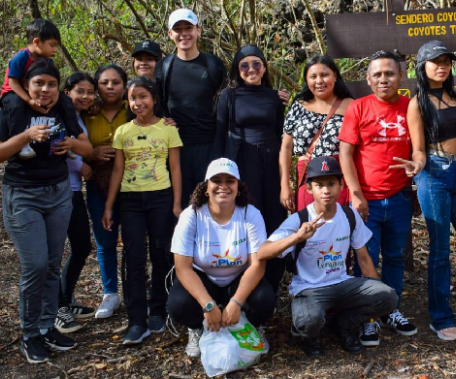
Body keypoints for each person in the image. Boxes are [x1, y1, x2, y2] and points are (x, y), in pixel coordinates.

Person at [0, 59, 93, 363]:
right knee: (35, 266)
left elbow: (87, 149)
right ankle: (29, 333)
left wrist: (70, 142)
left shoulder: (65, 108)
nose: (45, 90)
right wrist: (26, 137)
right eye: (39, 84)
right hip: (22, 196)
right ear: (28, 86)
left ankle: (46, 327)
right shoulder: (13, 109)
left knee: (51, 264)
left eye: (51, 84)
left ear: (59, 88)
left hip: (58, 193)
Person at [258, 156, 398, 356]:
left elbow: (364, 259)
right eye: (319, 185)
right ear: (309, 189)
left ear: (341, 185)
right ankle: (311, 335)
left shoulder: (350, 215)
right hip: (310, 288)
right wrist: (296, 237)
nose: (326, 191)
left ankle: (343, 325)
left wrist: (375, 294)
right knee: (308, 320)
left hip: (342, 284)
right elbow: (263, 252)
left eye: (331, 184)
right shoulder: (300, 219)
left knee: (388, 297)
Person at [406, 41, 456, 344]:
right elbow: (417, 149)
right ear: (422, 66)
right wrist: (416, 167)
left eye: (446, 61)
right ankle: (440, 318)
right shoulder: (417, 102)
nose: (442, 66)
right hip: (433, 176)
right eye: (435, 61)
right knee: (440, 250)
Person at [339, 50, 421, 344]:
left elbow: (419, 148)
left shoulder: (409, 107)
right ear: (368, 79)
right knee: (366, 258)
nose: (384, 79)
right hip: (366, 201)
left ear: (400, 76)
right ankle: (368, 317)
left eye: (390, 73)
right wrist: (356, 194)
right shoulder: (358, 108)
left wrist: (417, 162)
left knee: (396, 256)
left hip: (399, 197)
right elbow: (345, 154)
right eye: (378, 74)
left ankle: (392, 308)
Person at [167, 158, 276, 358]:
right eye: (217, 181)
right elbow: (182, 268)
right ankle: (197, 328)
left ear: (239, 187)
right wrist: (207, 304)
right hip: (204, 278)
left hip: (238, 278)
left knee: (264, 298)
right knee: (178, 304)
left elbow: (257, 265)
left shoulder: (250, 214)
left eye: (230, 181)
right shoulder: (191, 215)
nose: (223, 186)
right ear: (206, 187)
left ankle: (251, 325)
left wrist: (236, 302)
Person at [102, 76, 183, 345]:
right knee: (133, 258)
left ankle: (158, 310)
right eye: (133, 98)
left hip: (161, 198)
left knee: (160, 254)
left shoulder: (168, 130)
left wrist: (176, 203)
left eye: (143, 97)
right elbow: (117, 170)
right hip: (130, 202)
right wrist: (110, 206)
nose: (138, 102)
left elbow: (175, 168)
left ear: (154, 99)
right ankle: (136, 321)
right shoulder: (123, 132)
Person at [214, 45, 288, 290]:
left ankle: (273, 277)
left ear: (264, 67)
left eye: (256, 64)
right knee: (248, 214)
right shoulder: (229, 96)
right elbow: (219, 134)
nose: (251, 70)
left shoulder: (275, 96)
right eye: (244, 65)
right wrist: (218, 174)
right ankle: (246, 274)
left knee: (274, 215)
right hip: (242, 159)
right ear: (237, 69)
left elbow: (281, 132)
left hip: (271, 158)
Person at [155, 9, 227, 210]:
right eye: (177, 29)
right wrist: (163, 121)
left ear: (199, 31)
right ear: (170, 34)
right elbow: (157, 104)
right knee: (182, 206)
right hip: (177, 148)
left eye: (189, 28)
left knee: (211, 202)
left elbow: (230, 99)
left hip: (209, 144)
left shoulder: (213, 64)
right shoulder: (164, 67)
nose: (184, 34)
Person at [279, 55, 353, 212]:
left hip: (340, 179)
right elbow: (286, 147)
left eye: (324, 75)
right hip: (307, 178)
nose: (319, 81)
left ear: (335, 76)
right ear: (306, 80)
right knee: (309, 229)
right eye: (313, 76)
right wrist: (285, 185)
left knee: (340, 230)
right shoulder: (299, 106)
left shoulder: (350, 106)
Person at [84, 64, 129, 319]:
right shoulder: (86, 113)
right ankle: (110, 293)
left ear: (124, 86)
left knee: (134, 239)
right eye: (104, 82)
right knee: (105, 237)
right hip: (99, 182)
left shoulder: (133, 109)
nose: (110, 87)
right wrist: (91, 154)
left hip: (133, 182)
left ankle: (136, 288)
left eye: (115, 82)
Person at [55, 73, 97, 333]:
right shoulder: (59, 114)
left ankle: (65, 298)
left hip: (73, 191)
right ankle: (58, 307)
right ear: (67, 90)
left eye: (90, 92)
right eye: (80, 91)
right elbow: (60, 147)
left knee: (81, 245)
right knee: (55, 252)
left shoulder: (79, 116)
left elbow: (81, 146)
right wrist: (82, 165)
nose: (85, 96)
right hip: (58, 190)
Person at [0, 19, 61, 160]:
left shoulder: (48, 61)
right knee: (16, 106)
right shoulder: (21, 58)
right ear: (37, 42)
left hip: (35, 92)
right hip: (14, 92)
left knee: (64, 101)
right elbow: (12, 82)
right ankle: (19, 142)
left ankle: (64, 137)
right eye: (52, 45)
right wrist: (28, 101)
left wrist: (55, 97)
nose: (54, 50)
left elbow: (54, 82)